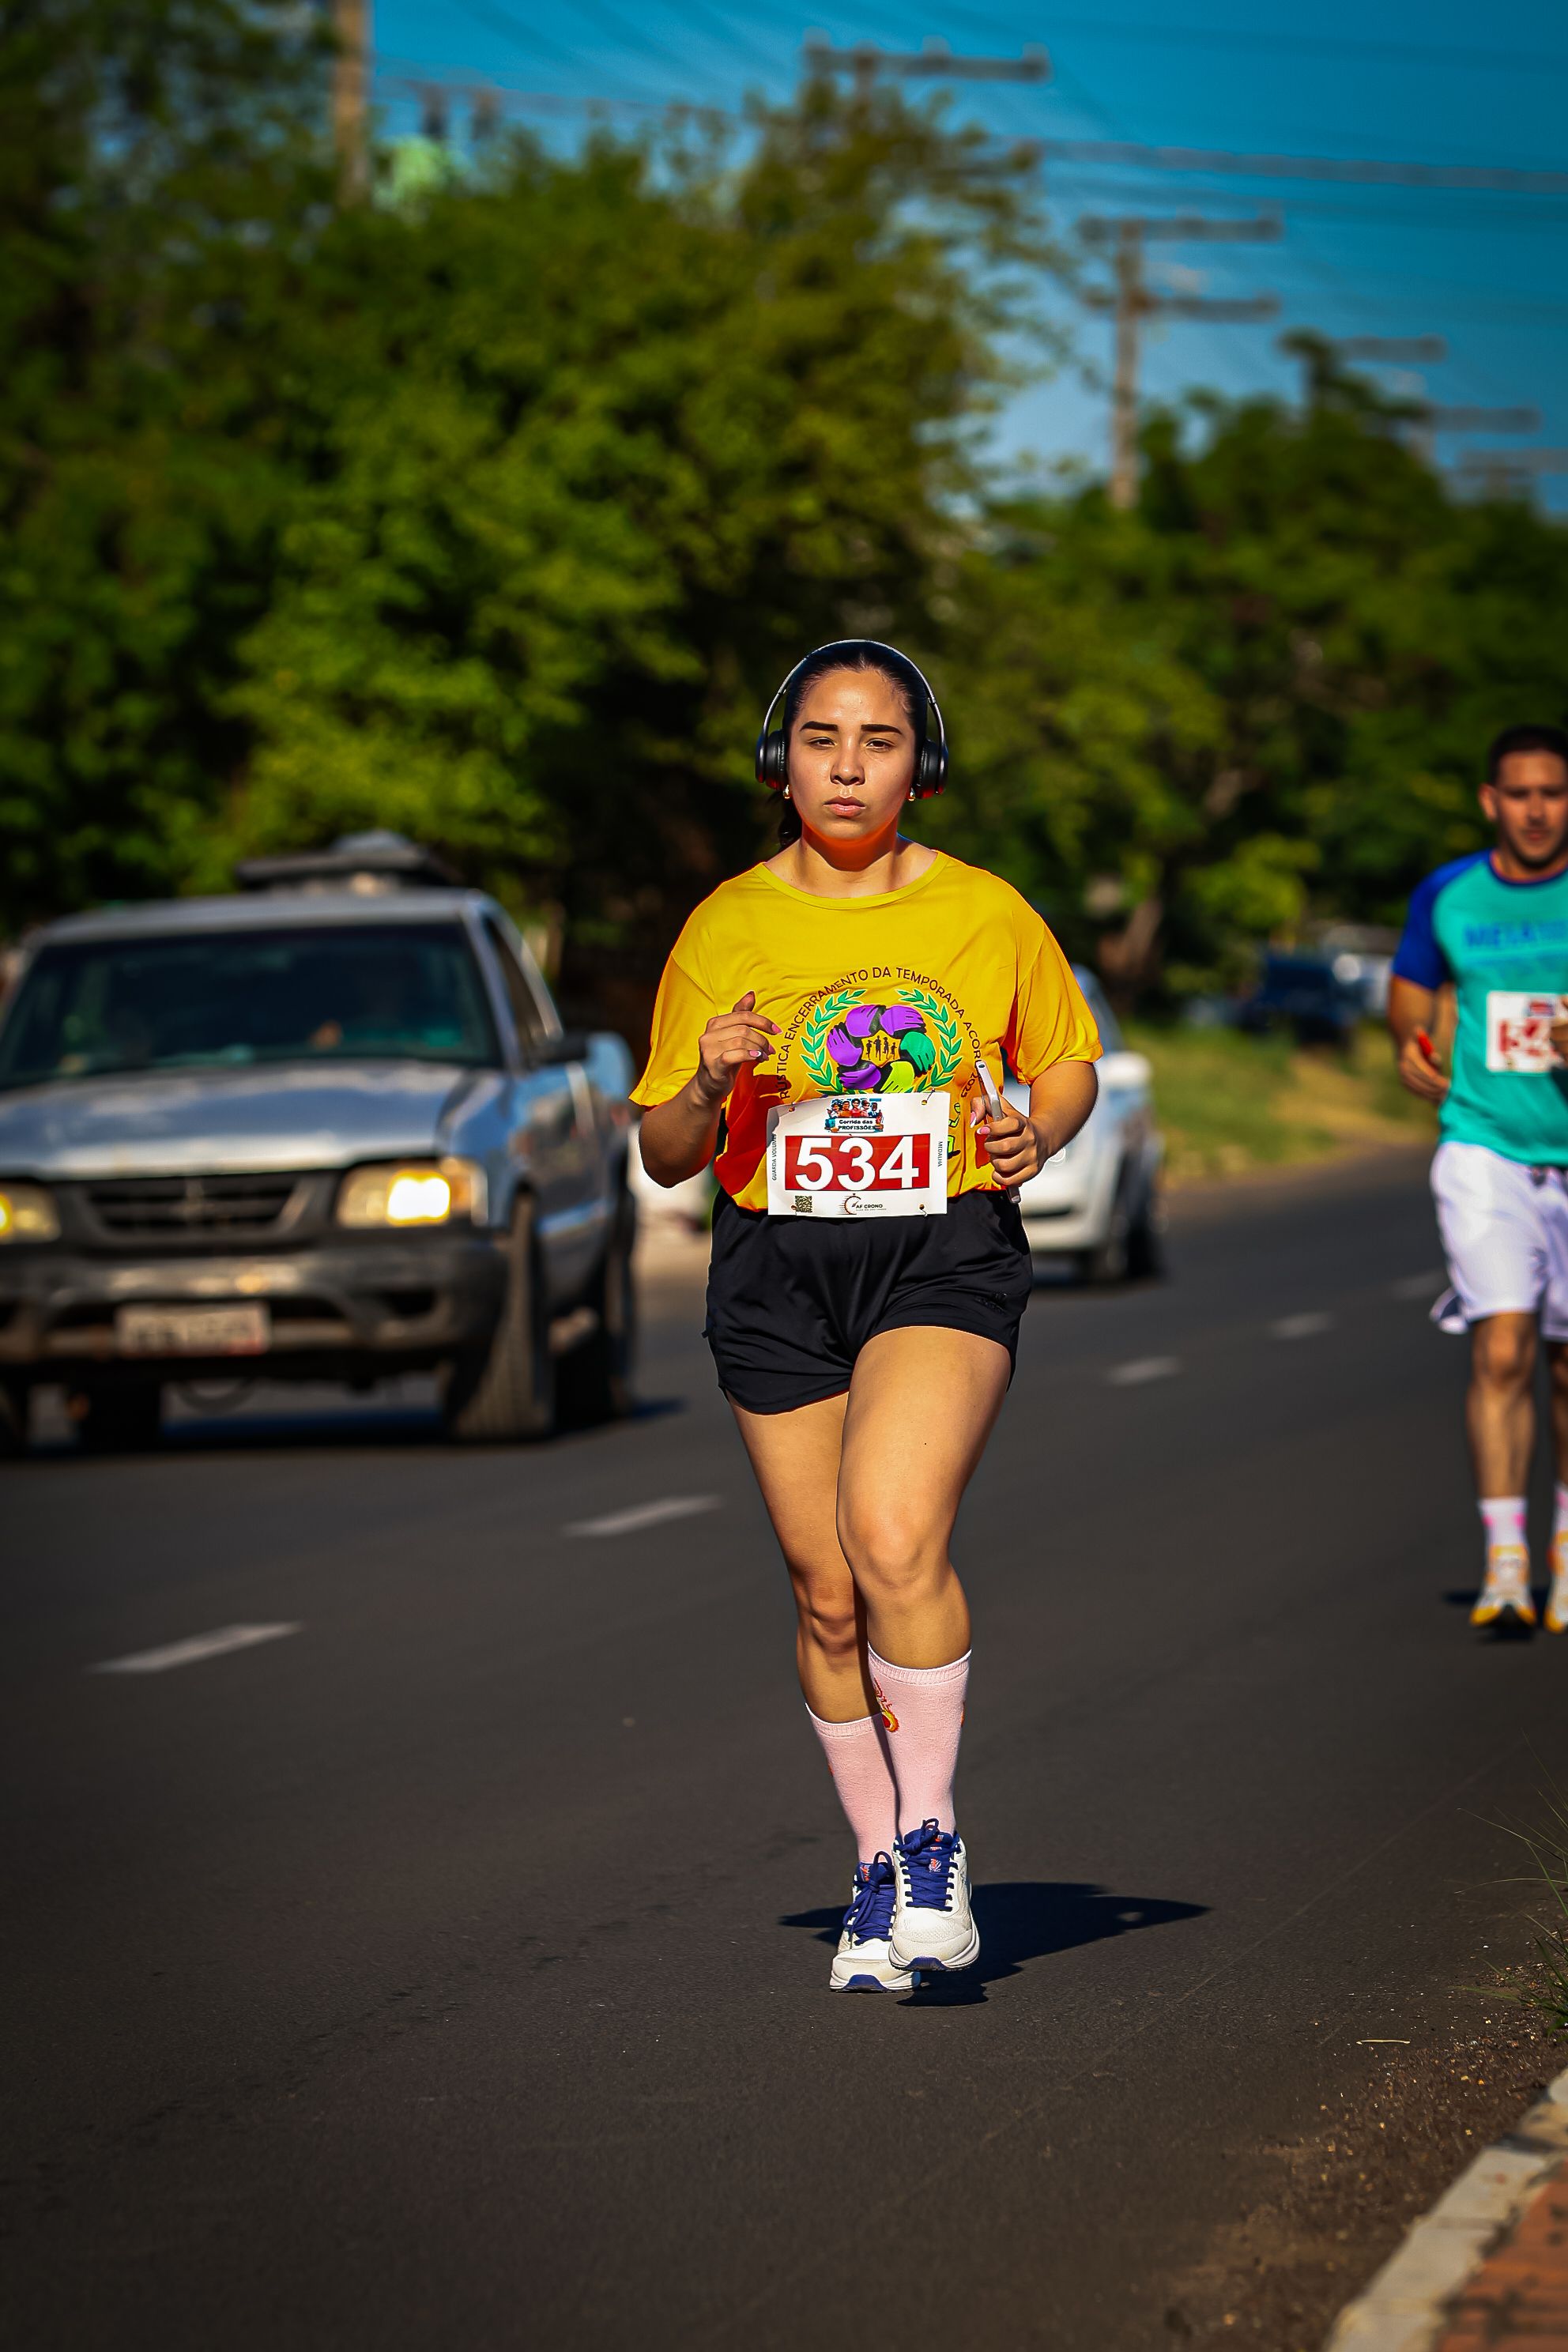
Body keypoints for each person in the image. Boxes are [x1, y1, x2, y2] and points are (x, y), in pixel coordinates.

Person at [635, 641, 1101, 1988]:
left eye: (877, 741)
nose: (845, 766)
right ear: (779, 761)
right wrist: (710, 1082)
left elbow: (1060, 1063)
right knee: (824, 1592)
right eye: (820, 739)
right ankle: (875, 1865)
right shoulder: (722, 923)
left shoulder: (985, 910)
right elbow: (666, 1151)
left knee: (891, 1534)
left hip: (936, 1255)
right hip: (776, 1262)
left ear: (922, 767)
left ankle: (937, 1838)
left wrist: (1031, 1135)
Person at [1390, 722, 1568, 1634]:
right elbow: (1411, 985)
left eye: (1553, 792)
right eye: (1521, 793)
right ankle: (1504, 1563)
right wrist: (1410, 1045)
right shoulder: (1449, 893)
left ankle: (1563, 1549)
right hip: (1485, 1143)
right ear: (1491, 801)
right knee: (1500, 1347)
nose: (1537, 810)